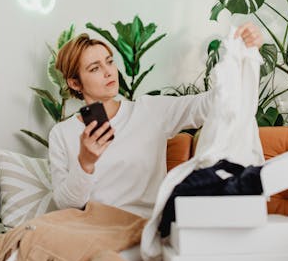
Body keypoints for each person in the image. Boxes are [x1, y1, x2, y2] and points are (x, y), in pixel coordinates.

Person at [48, 23, 264, 219]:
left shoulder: (150, 111)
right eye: (95, 68)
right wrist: (85, 163)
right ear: (75, 83)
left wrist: (240, 57)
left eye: (110, 62)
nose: (108, 72)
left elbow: (212, 105)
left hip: (138, 225)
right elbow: (65, 204)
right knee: (29, 237)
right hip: (88, 226)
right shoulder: (61, 133)